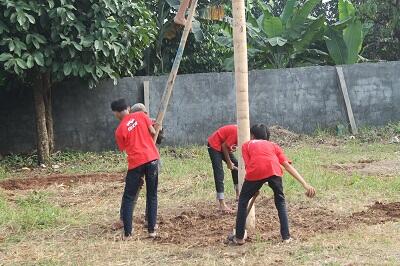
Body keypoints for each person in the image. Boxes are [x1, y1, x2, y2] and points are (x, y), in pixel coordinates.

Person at [227, 124, 316, 245]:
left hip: (255, 173)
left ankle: (239, 237)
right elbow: (287, 166)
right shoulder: (274, 145)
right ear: (267, 137)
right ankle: (286, 237)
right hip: (275, 171)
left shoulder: (246, 145)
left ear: (252, 135)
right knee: (280, 202)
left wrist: (253, 187)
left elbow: (250, 167)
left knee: (243, 201)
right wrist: (305, 184)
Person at [111, 99, 160, 239]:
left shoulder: (119, 130)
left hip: (136, 163)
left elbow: (123, 148)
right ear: (128, 107)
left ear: (116, 113)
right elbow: (152, 131)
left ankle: (128, 233)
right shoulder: (141, 115)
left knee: (128, 197)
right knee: (152, 195)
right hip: (152, 159)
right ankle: (152, 230)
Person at [207, 124, 239, 213]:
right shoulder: (238, 132)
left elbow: (227, 143)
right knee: (219, 172)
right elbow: (224, 146)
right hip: (214, 145)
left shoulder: (244, 134)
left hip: (222, 145)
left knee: (237, 164)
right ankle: (222, 204)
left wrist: (231, 146)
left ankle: (238, 194)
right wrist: (229, 162)